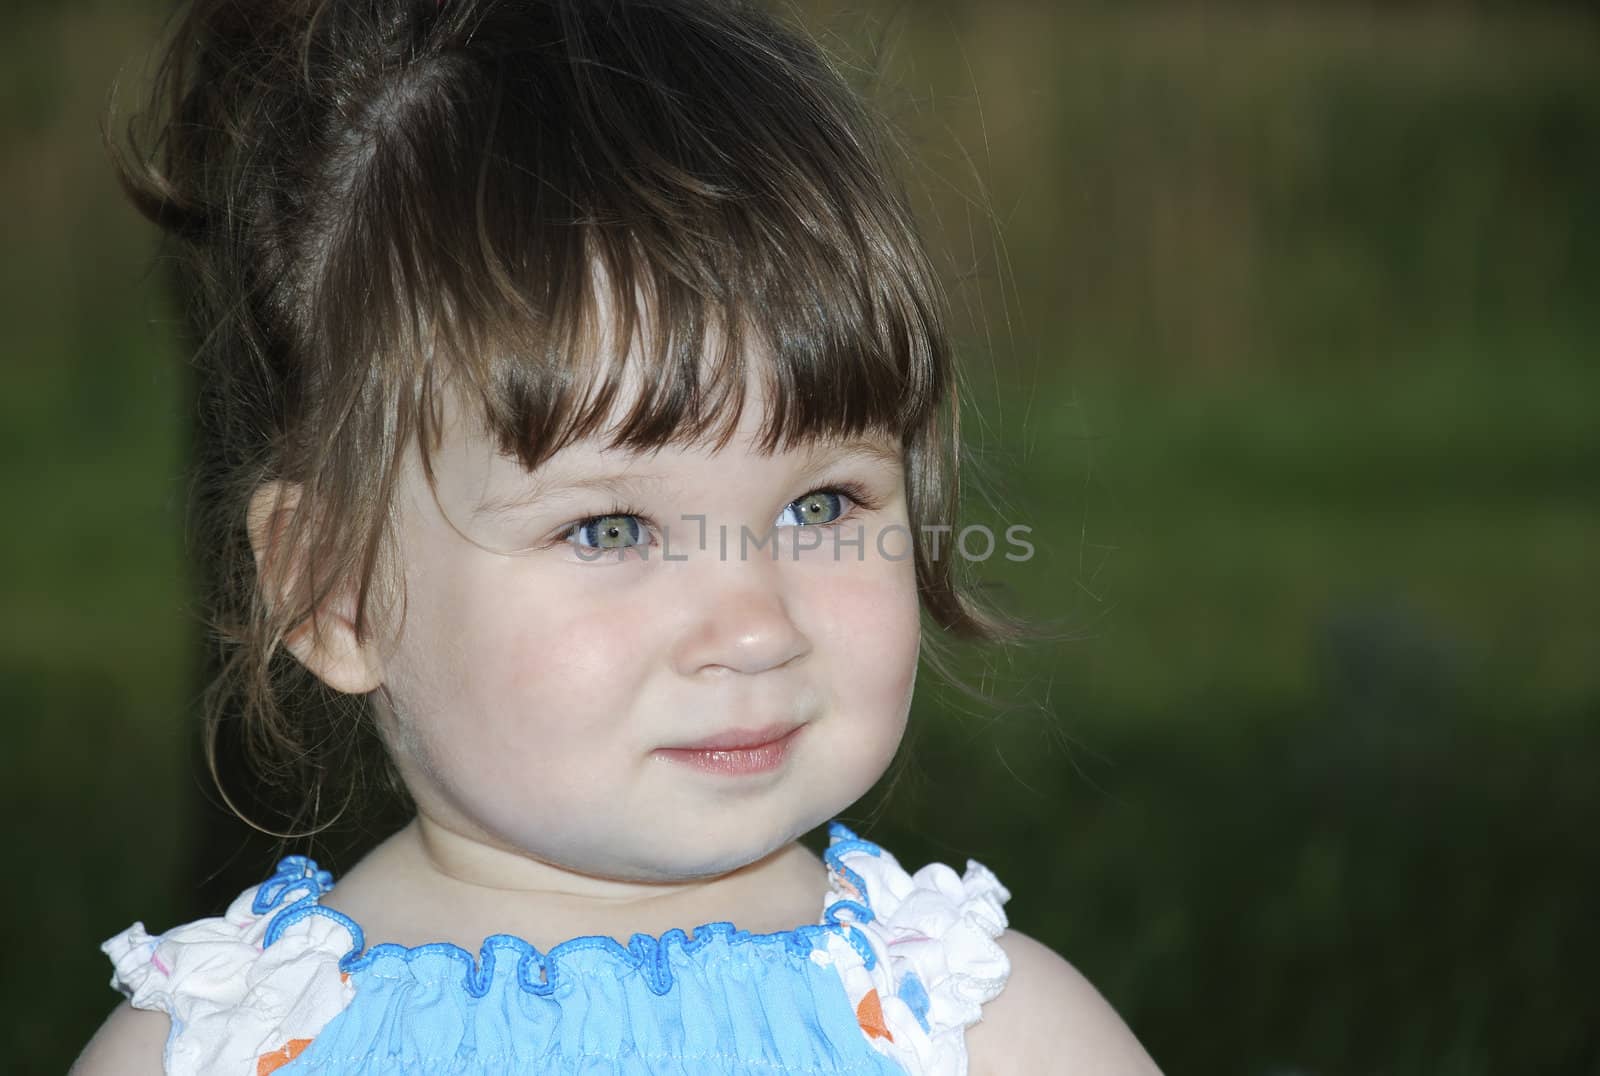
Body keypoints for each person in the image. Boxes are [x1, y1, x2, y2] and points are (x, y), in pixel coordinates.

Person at [74, 1, 1160, 1072]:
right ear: (336, 585)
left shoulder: (985, 1033)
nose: (751, 629)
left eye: (819, 505)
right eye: (609, 527)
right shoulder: (216, 1047)